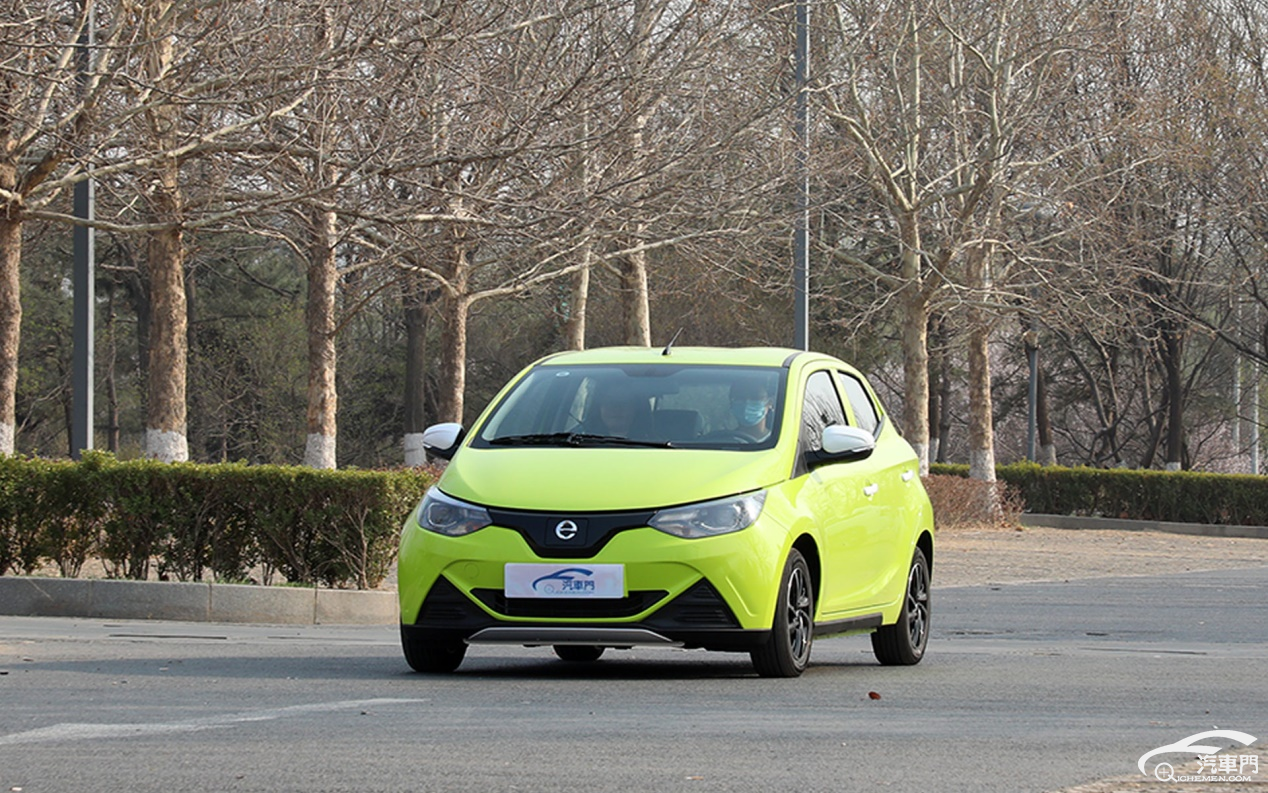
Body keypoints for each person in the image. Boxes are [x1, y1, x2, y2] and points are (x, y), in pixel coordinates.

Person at [729, 378, 774, 442]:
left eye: (755, 397)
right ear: (731, 404)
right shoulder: (721, 442)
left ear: (770, 403)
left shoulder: (780, 442)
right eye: (740, 397)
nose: (747, 402)